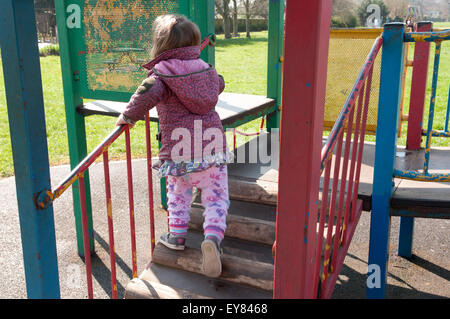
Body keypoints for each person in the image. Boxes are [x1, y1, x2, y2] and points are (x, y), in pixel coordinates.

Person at [115, 14, 230, 278]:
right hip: (212, 150)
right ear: (194, 42)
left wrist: (128, 117)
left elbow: (146, 94)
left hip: (178, 153)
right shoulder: (207, 69)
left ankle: (177, 235)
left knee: (178, 195)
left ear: (161, 44)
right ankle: (212, 238)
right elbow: (219, 84)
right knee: (216, 198)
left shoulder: (162, 74)